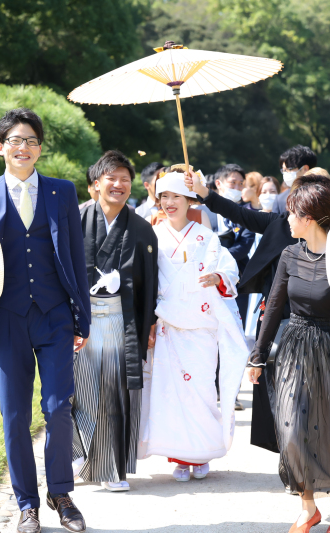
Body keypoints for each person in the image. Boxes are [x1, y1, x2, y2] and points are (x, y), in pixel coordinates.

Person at [0, 108, 90, 533]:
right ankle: (26, 504)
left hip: (54, 314)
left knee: (57, 408)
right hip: (7, 318)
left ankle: (61, 494)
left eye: (31, 141)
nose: (23, 148)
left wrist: (80, 318)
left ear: (40, 148)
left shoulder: (61, 192)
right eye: (15, 141)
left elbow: (75, 255)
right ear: (1, 147)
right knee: (15, 414)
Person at [247, 175, 330, 533]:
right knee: (293, 429)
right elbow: (273, 308)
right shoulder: (289, 255)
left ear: (308, 218)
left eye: (291, 213)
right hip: (296, 348)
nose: (286, 219)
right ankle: (308, 508)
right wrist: (257, 356)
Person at [185, 168, 297, 485]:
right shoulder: (278, 225)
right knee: (279, 395)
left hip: (318, 326)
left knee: (307, 398)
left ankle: (307, 461)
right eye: (294, 195)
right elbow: (237, 213)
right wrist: (205, 193)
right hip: (278, 320)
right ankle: (290, 457)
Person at [138, 171, 249, 482]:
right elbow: (146, 282)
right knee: (169, 395)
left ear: (189, 200)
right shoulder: (153, 236)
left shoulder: (205, 237)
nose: (170, 203)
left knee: (200, 392)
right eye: (164, 197)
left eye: (176, 196)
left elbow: (229, 269)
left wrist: (218, 278)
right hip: (169, 327)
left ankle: (201, 453)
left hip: (200, 328)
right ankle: (180, 457)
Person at [73, 150, 159, 492]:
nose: (119, 185)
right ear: (96, 184)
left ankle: (109, 468)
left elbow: (150, 283)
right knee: (75, 390)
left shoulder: (140, 229)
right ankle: (77, 454)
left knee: (113, 392)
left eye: (125, 179)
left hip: (119, 320)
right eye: (111, 178)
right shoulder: (76, 219)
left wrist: (147, 323)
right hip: (80, 319)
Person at [213, 164, 255, 323]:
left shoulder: (246, 214)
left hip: (237, 280)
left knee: (236, 328)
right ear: (219, 184)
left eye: (241, 184)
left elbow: (244, 245)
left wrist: (218, 257)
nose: (237, 187)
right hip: (206, 280)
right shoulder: (203, 212)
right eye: (233, 183)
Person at [272, 146, 318, 214]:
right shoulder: (280, 200)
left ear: (305, 169)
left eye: (289, 169)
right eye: (284, 170)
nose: (285, 173)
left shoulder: (320, 196)